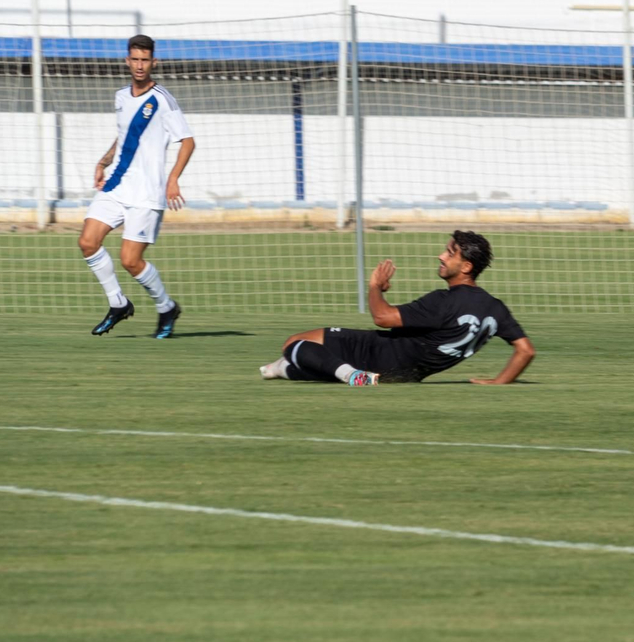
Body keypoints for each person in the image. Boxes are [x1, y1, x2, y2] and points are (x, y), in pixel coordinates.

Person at [261, 232, 534, 385]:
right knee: (294, 363)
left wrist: (375, 287)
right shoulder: (495, 308)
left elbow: (382, 317)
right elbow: (526, 350)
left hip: (375, 352)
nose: (441, 256)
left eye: (450, 254)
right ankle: (281, 369)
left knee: (294, 343)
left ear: (466, 267)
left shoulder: (445, 300)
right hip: (405, 374)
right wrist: (499, 383)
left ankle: (350, 376)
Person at [83, 35, 196, 340]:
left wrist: (173, 179)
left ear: (153, 62)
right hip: (117, 185)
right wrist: (103, 162)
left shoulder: (162, 99)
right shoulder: (121, 96)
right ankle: (118, 304)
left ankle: (166, 307)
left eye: (145, 60)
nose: (139, 65)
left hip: (147, 193)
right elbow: (123, 137)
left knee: (130, 260)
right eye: (135, 59)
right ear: (127, 61)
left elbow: (187, 141)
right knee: (87, 242)